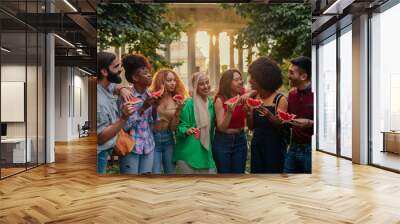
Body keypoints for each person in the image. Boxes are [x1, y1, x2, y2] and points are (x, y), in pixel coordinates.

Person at [246, 57, 288, 173]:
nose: (249, 81)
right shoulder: (254, 97)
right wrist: (249, 114)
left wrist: (269, 116)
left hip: (274, 148)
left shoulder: (280, 99)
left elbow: (282, 127)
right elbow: (251, 127)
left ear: (262, 79)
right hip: (257, 145)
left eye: (253, 78)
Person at [119, 54, 159, 174]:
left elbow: (154, 125)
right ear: (135, 77)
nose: (150, 75)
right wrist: (143, 108)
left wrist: (155, 109)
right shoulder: (127, 96)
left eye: (149, 72)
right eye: (145, 73)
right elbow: (125, 126)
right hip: (131, 147)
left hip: (148, 146)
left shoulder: (151, 95)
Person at [97, 52, 135, 174]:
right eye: (116, 66)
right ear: (104, 72)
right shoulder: (99, 101)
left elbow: (115, 85)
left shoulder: (106, 84)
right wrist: (123, 118)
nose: (120, 69)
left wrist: (122, 89)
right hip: (99, 155)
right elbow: (101, 138)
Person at [173, 72, 216, 174]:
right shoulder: (189, 104)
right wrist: (187, 130)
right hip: (188, 154)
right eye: (201, 84)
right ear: (195, 86)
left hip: (205, 153)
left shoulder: (211, 104)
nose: (205, 86)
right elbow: (180, 128)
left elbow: (212, 130)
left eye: (207, 82)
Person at [149, 69, 188, 174]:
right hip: (153, 139)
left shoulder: (176, 100)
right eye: (169, 80)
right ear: (161, 82)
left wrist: (178, 111)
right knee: (154, 174)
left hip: (168, 139)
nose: (173, 83)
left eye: (174, 80)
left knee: (170, 173)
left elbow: (172, 128)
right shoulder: (153, 98)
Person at [213, 69, 248, 173]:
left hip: (241, 140)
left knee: (239, 177)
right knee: (225, 179)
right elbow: (221, 127)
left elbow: (255, 90)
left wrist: (247, 96)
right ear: (228, 82)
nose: (240, 82)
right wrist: (229, 112)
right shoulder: (220, 100)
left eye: (241, 79)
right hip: (223, 142)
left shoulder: (243, 94)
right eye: (236, 80)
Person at [283, 56, 313, 174]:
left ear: (303, 76)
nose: (288, 76)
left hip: (310, 150)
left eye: (291, 73)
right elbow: (288, 120)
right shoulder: (292, 94)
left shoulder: (318, 94)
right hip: (293, 147)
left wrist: (310, 123)